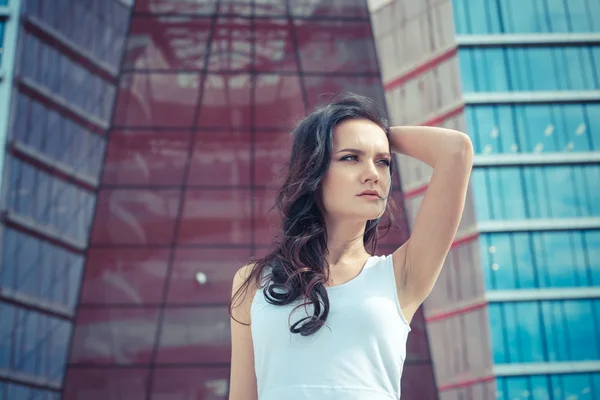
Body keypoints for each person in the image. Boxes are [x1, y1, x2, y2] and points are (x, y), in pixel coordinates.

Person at [228, 93, 473, 400]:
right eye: (350, 158)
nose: (373, 174)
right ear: (313, 171)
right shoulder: (254, 281)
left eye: (382, 162)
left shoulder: (401, 276)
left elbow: (456, 150)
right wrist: (328, 131)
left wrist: (379, 133)